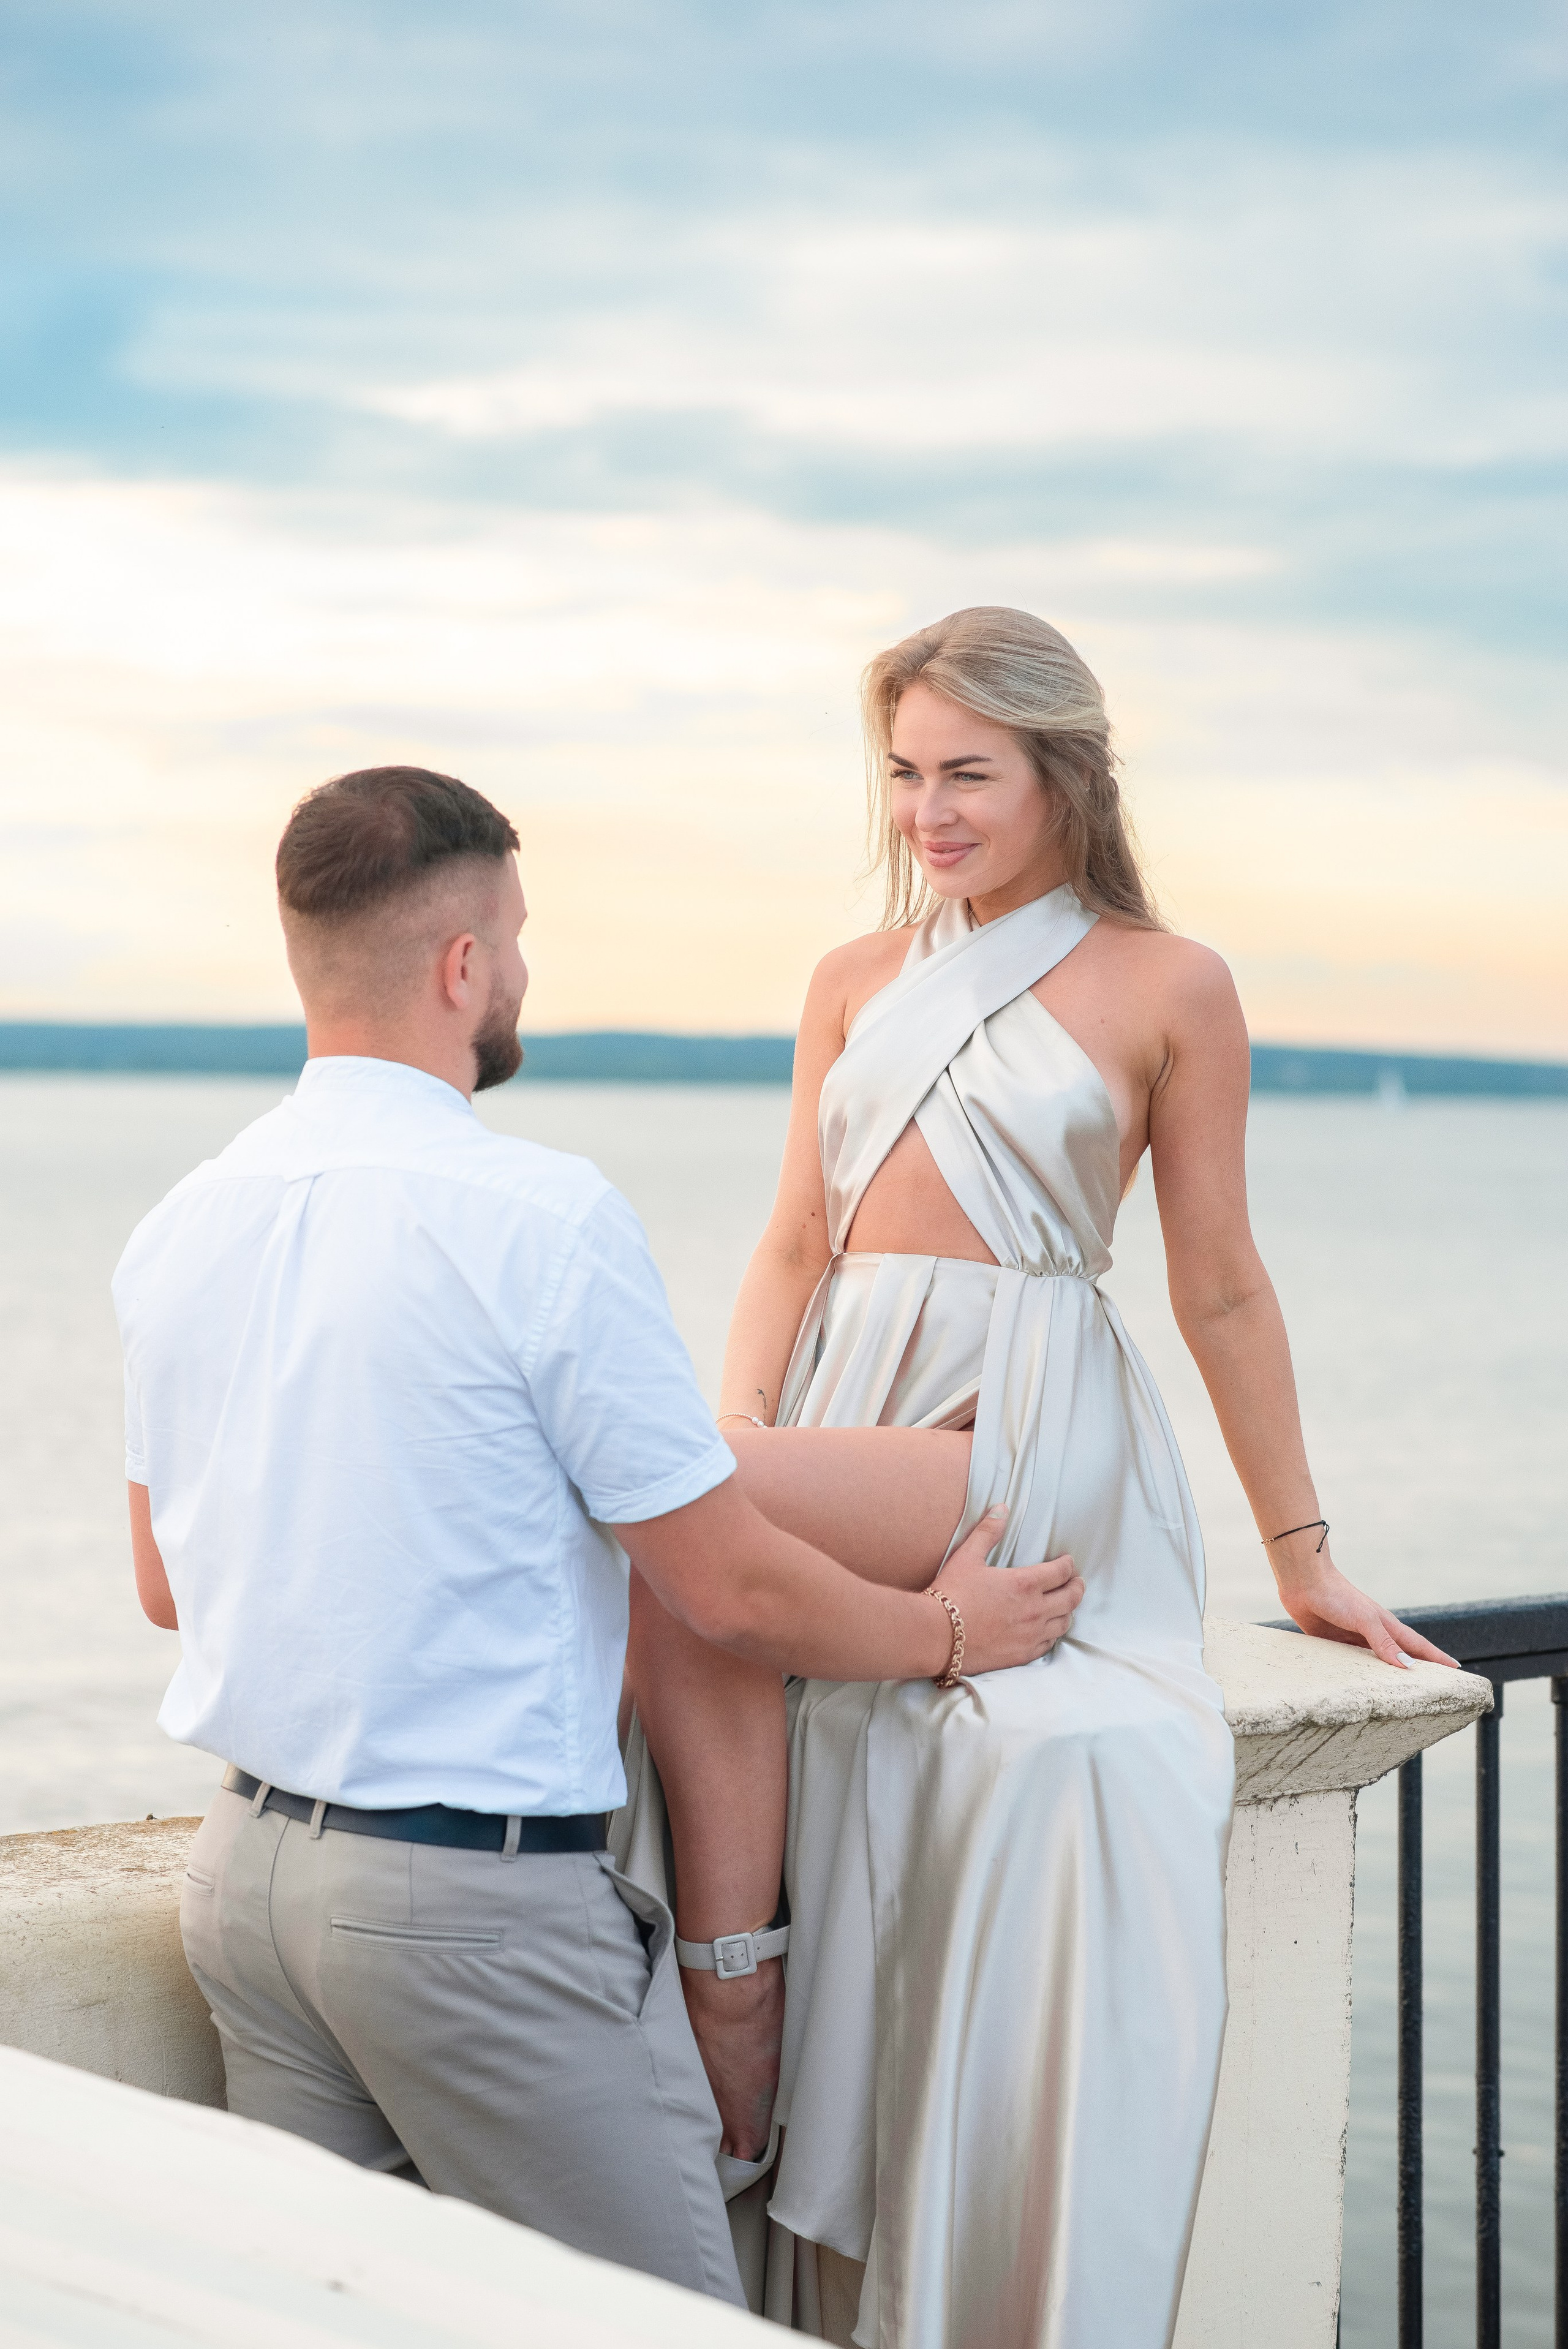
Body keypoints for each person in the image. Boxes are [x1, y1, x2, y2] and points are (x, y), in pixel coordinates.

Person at [112, 762, 1082, 2307]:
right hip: (462, 1911)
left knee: (328, 2322)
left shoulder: (180, 1224)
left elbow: (169, 1584)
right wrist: (948, 1631)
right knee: (664, 2323)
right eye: (514, 938)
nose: (519, 969)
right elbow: (725, 1583)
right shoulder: (539, 1216)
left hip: (247, 1889)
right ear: (461, 965)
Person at [624, 612, 1457, 2347]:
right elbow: (791, 1239)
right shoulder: (851, 976)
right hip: (847, 1402)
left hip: (1018, 1424)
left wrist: (1298, 1549)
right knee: (679, 1523)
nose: (926, 812)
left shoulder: (1171, 983)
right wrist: (749, 1438)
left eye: (967, 775)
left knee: (663, 1519)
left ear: (1063, 773)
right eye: (904, 774)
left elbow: (1217, 1282)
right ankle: (738, 2001)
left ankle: (735, 2014)